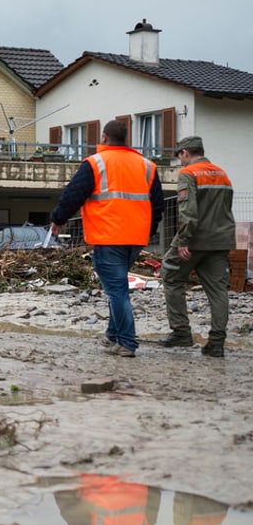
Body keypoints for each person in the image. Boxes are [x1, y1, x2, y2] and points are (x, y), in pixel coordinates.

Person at [50, 119, 164, 357]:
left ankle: (126, 342)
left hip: (108, 236)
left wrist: (58, 219)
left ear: (103, 137)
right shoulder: (147, 166)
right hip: (136, 237)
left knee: (117, 290)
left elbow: (74, 194)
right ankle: (114, 336)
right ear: (126, 139)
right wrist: (149, 231)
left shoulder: (95, 163)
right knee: (118, 286)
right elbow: (158, 206)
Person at [159, 136, 236, 357]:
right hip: (221, 240)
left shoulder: (188, 174)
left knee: (171, 276)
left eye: (179, 156)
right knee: (218, 290)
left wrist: (184, 240)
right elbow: (225, 208)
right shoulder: (222, 174)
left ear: (185, 153)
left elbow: (188, 211)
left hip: (196, 239)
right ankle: (216, 342)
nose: (179, 161)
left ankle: (181, 333)